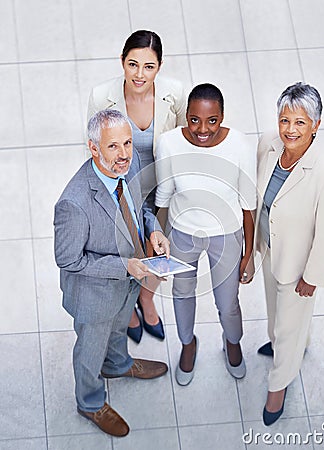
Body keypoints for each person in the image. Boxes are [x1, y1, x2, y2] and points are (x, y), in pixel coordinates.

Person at [54, 110, 170, 437]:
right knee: (90, 351)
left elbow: (140, 208)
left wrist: (155, 231)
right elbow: (68, 260)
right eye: (113, 147)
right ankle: (90, 402)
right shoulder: (73, 203)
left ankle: (117, 365)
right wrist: (124, 266)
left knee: (119, 329)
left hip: (129, 280)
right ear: (93, 148)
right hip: (95, 295)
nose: (123, 155)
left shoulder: (129, 166)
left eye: (128, 143)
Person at [255, 82, 324, 426]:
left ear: (316, 125)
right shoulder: (268, 144)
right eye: (284, 120)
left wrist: (312, 276)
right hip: (269, 249)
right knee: (277, 315)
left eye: (300, 123)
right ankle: (285, 341)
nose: (289, 130)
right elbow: (260, 198)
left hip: (298, 267)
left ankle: (278, 385)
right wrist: (254, 250)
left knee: (290, 325)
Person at [88, 29, 187, 343]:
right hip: (121, 186)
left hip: (160, 184)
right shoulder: (101, 96)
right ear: (122, 61)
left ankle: (146, 298)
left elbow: (185, 138)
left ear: (159, 67)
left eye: (149, 66)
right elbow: (94, 146)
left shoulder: (174, 93)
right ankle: (129, 307)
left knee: (161, 247)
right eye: (132, 65)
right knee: (126, 249)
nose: (139, 74)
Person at [155, 83, 257, 385]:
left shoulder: (239, 144)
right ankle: (188, 343)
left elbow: (248, 204)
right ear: (186, 116)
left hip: (226, 233)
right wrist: (156, 245)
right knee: (182, 293)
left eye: (212, 120)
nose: (203, 129)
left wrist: (248, 255)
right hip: (182, 231)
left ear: (222, 117)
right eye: (194, 119)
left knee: (228, 302)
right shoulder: (169, 143)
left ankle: (233, 341)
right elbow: (163, 194)